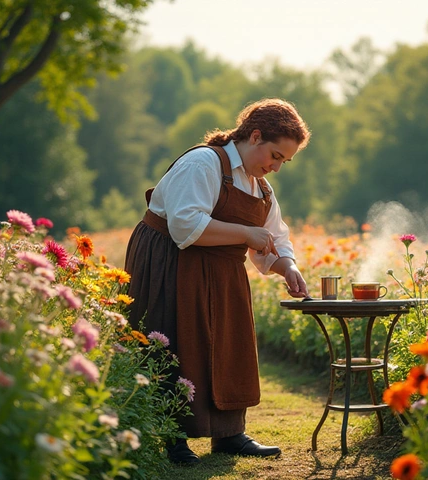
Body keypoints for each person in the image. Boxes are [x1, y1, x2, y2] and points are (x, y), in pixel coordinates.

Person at [124, 98, 311, 465]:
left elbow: (273, 238)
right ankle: (170, 438)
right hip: (171, 260)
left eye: (282, 162)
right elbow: (184, 226)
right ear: (254, 136)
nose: (275, 167)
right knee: (174, 340)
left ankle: (229, 434)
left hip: (221, 268)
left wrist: (287, 266)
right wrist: (246, 233)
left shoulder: (262, 188)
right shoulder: (203, 163)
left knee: (229, 341)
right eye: (274, 156)